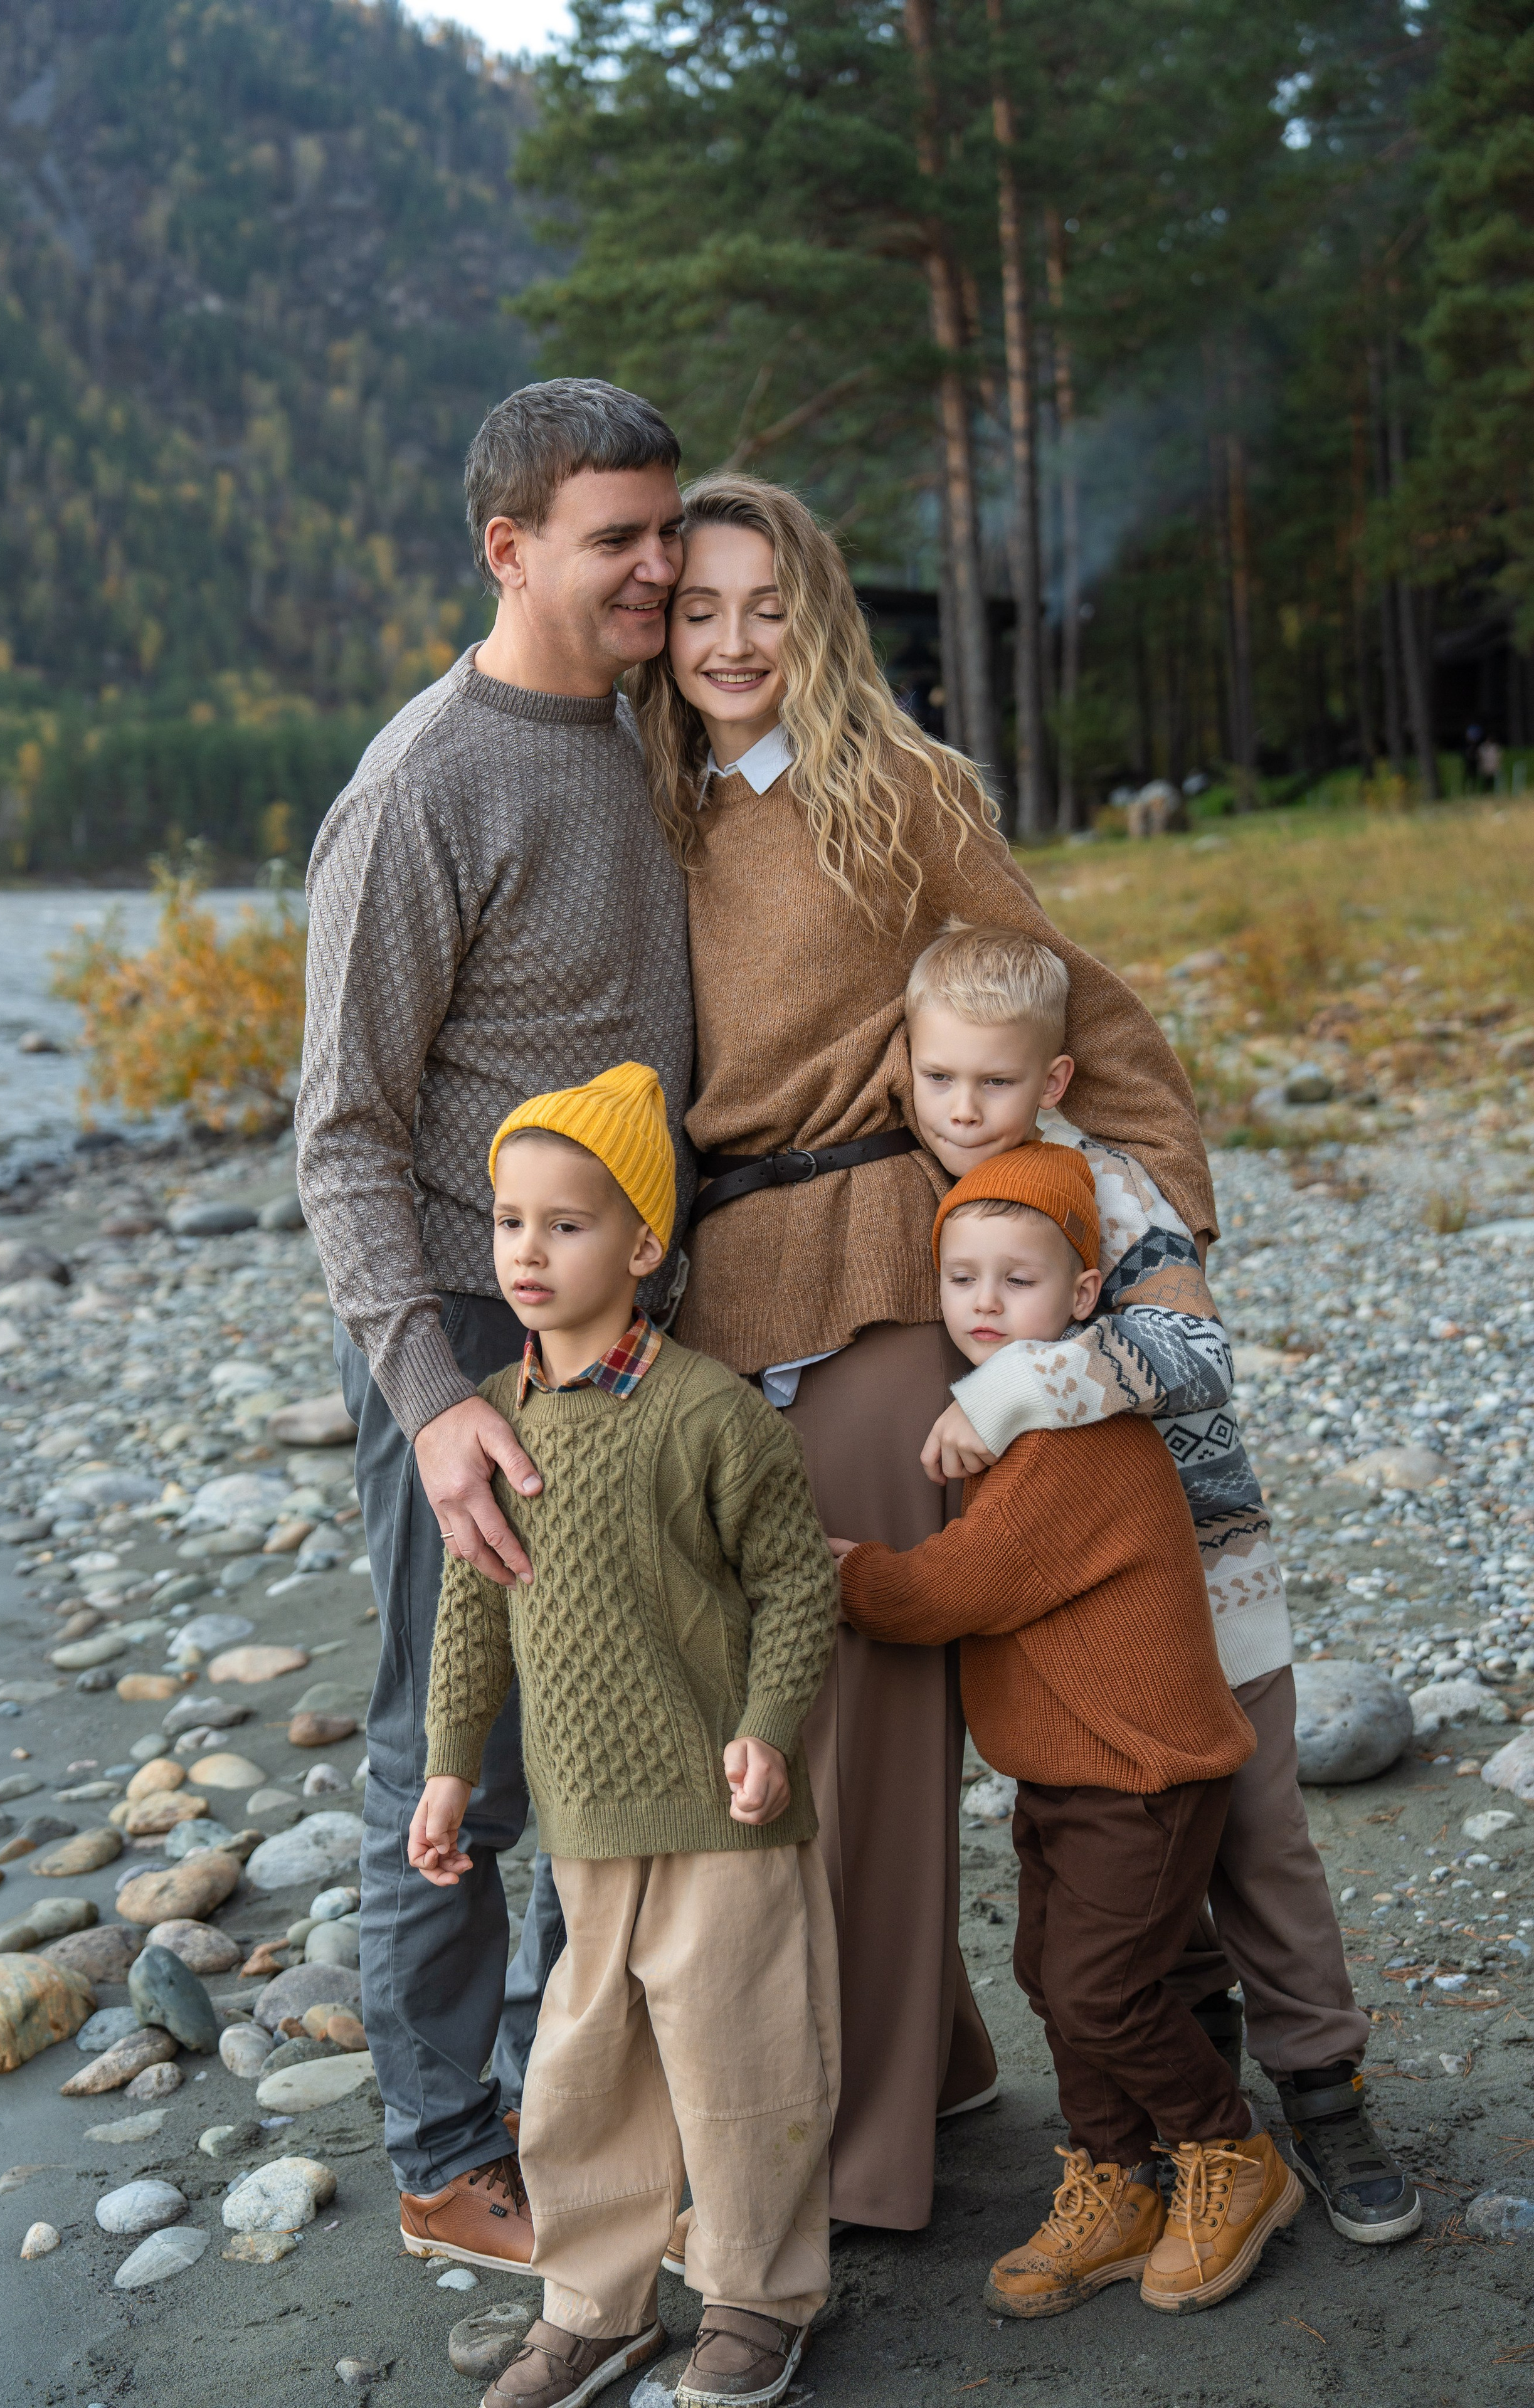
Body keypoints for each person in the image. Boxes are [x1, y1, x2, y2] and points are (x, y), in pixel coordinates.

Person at [628, 470, 1220, 2232]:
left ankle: (866, 2151)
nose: (733, 640)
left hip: (886, 1273)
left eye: (767, 605)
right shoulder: (640, 796)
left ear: (815, 618)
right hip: (716, 1298)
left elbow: (1074, 1007)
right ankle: (939, 2056)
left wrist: (1156, 1239)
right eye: (699, 607)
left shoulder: (904, 792)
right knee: (750, 1728)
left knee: (866, 1729)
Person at [297, 378, 696, 2269]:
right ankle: (448, 2159)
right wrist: (434, 1397)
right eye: (617, 538)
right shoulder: (421, 786)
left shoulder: (637, 736)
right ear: (507, 548)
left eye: (667, 530)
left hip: (627, 1337)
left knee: (611, 1734)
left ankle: (564, 2108)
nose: (657, 567)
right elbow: (342, 1133)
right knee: (455, 1747)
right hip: (472, 1330)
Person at [909, 924, 1421, 2244]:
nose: (961, 1108)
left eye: (994, 1083)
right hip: (1072, 1611)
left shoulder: (1105, 1185)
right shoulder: (929, 1190)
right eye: (938, 1078)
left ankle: (1323, 2087)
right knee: (1122, 1854)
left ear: (1053, 1081)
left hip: (1203, 1580)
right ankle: (1189, 2105)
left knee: (1256, 1838)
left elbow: (1194, 1352)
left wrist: (1008, 1392)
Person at [410, 1064, 840, 2408]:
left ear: (643, 1246)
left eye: (566, 1225)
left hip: (722, 1809)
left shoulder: (709, 1412)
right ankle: (596, 2308)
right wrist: (445, 1768)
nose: (527, 1253)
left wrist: (769, 1726)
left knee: (739, 2059)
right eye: (508, 1222)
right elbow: (472, 1613)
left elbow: (798, 1585)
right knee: (581, 2072)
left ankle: (756, 2295)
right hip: (587, 1819)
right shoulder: (495, 1417)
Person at [835, 1143, 1305, 2318]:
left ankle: (1230, 2151)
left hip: (1141, 1777)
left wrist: (842, 1572)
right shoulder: (1013, 1424)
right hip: (1069, 1771)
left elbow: (955, 1591)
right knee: (1051, 1973)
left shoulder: (1071, 1438)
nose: (985, 1304)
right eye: (963, 1279)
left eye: (1019, 1280)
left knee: (1101, 1988)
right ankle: (1117, 2176)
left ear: (1085, 1294)